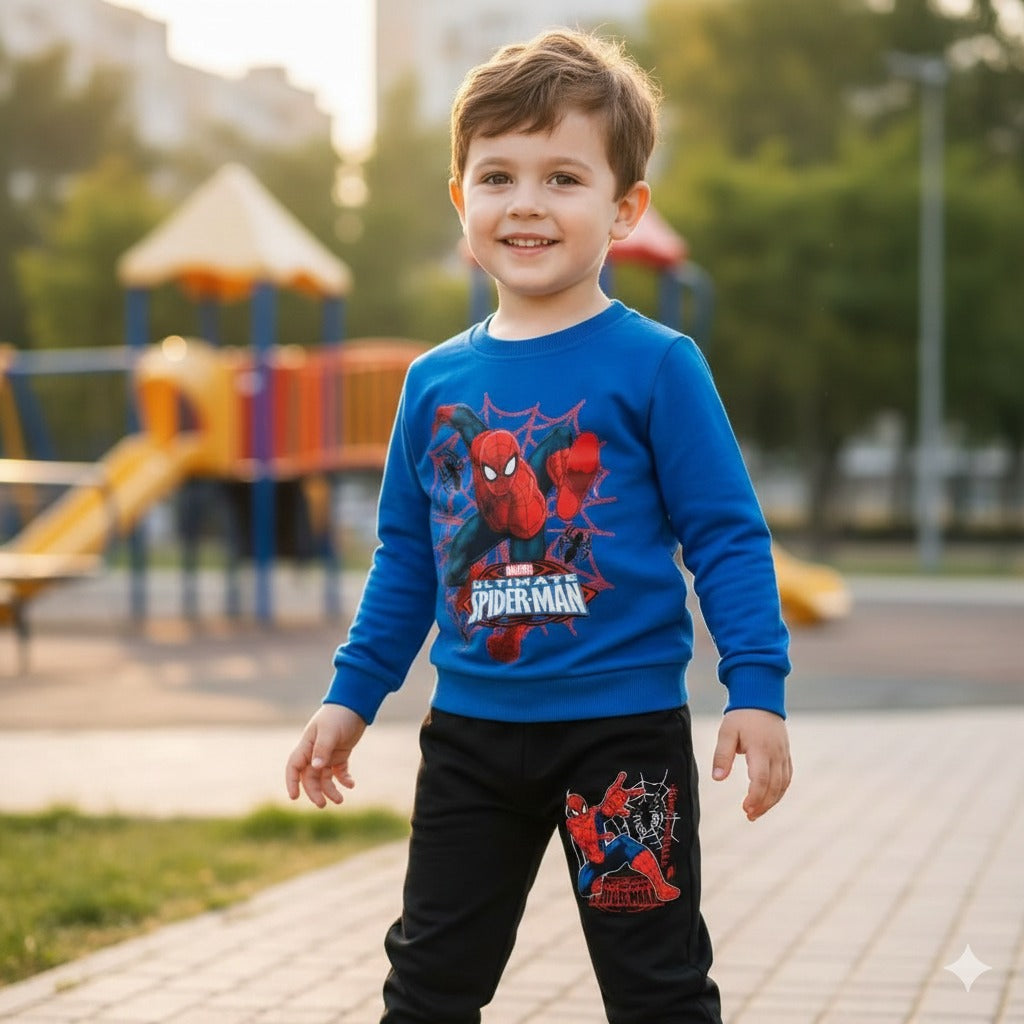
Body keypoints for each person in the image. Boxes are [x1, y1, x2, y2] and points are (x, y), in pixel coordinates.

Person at [286, 27, 792, 1024]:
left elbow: (727, 536)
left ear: (624, 208)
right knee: (427, 988)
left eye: (563, 177)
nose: (525, 202)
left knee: (655, 991)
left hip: (624, 741)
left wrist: (757, 688)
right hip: (471, 741)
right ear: (460, 201)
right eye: (497, 176)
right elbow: (407, 559)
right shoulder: (434, 384)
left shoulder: (658, 365)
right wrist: (352, 695)